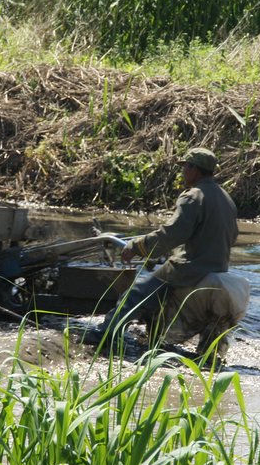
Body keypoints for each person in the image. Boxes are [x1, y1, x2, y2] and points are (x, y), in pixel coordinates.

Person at [79, 147, 239, 349]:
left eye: (185, 167)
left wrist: (136, 246)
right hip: (218, 270)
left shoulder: (193, 196)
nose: (182, 172)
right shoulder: (226, 198)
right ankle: (171, 345)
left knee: (135, 294)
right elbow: (231, 236)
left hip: (189, 270)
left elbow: (171, 234)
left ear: (195, 169)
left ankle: (106, 334)